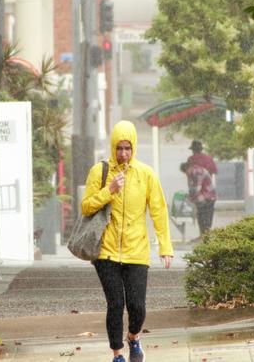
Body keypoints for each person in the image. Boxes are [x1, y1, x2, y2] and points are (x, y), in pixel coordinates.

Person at [81, 120, 174, 362]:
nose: (123, 153)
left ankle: (134, 337)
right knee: (115, 304)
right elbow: (86, 205)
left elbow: (158, 211)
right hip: (106, 252)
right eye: (119, 148)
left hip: (137, 251)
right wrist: (108, 191)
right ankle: (117, 354)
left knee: (137, 307)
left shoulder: (145, 174)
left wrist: (165, 246)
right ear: (113, 147)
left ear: (134, 149)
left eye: (128, 148)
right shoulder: (99, 172)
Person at [186, 140, 217, 231]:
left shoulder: (191, 159)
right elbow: (214, 171)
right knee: (208, 215)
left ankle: (202, 235)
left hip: (199, 194)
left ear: (193, 150)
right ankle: (206, 235)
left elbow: (192, 178)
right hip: (210, 192)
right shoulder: (209, 158)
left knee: (200, 214)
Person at [180, 162, 217, 235]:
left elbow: (197, 187)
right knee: (202, 218)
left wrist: (190, 197)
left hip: (207, 198)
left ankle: (205, 238)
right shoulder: (194, 171)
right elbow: (193, 188)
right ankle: (203, 236)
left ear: (186, 169)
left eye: (185, 172)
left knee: (205, 219)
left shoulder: (197, 172)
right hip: (205, 197)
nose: (186, 174)